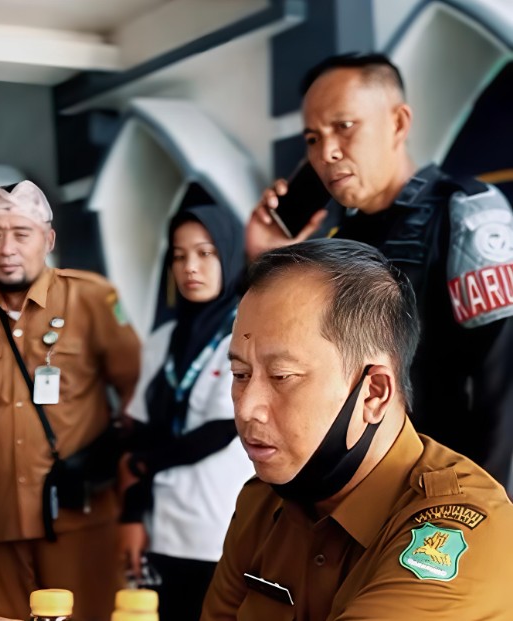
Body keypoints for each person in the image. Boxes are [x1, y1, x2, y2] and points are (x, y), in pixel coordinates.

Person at [202, 239, 513, 621]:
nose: (246, 408)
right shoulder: (262, 502)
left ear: (374, 393)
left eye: (282, 376)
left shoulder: (458, 534)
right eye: (240, 374)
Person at [246, 53, 513, 486]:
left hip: (440, 492)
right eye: (313, 138)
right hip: (347, 490)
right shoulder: (334, 244)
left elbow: (501, 386)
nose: (327, 152)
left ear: (398, 123)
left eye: (344, 126)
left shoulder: (466, 214)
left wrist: (483, 509)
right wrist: (268, 259)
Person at [0, 181, 141, 619]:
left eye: (22, 234)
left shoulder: (91, 298)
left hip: (78, 511)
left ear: (48, 240)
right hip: (1, 515)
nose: (7, 249)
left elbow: (135, 387)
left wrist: (131, 480)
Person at [117, 203, 253, 621]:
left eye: (205, 253)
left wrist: (140, 463)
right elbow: (142, 431)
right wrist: (132, 515)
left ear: (229, 255)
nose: (190, 267)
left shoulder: (247, 334)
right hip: (163, 527)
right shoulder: (162, 340)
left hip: (221, 527)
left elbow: (220, 430)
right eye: (179, 256)